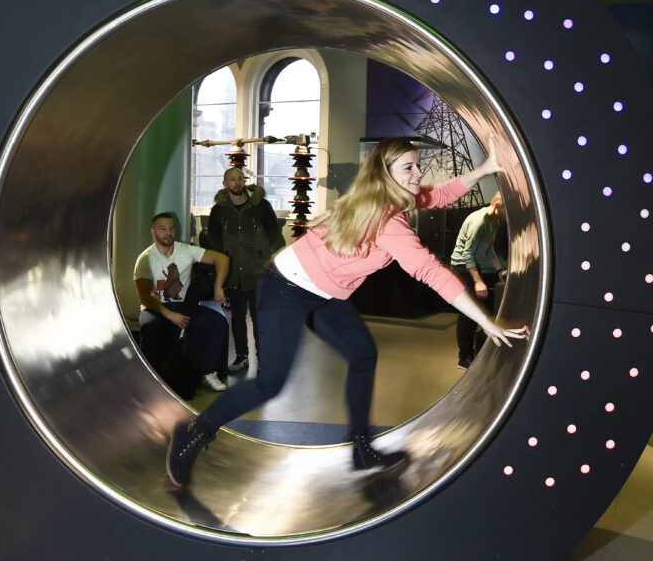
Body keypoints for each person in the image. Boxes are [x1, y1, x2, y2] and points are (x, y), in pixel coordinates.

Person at [166, 137, 528, 487]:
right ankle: (194, 434)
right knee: (270, 384)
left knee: (363, 354)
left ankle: (361, 450)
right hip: (285, 289)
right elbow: (431, 272)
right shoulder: (387, 220)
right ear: (386, 174)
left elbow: (441, 194)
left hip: (324, 294)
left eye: (417, 165)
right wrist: (485, 320)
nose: (418, 173)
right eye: (408, 167)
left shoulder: (388, 197)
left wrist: (486, 168)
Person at [134, 212, 231, 394]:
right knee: (151, 326)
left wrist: (218, 286)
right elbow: (145, 298)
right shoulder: (146, 259)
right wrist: (171, 315)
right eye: (163, 229)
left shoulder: (185, 250)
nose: (168, 233)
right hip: (156, 308)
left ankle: (208, 372)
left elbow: (222, 259)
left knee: (217, 322)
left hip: (184, 306)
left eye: (171, 228)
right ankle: (151, 377)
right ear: (153, 232)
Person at [207, 167, 286, 374]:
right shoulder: (219, 211)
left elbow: (276, 236)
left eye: (240, 179)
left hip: (259, 272)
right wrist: (219, 268)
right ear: (225, 184)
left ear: (245, 181)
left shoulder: (261, 206)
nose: (237, 183)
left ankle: (263, 358)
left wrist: (275, 265)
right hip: (233, 273)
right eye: (232, 180)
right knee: (238, 317)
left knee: (260, 317)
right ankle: (241, 356)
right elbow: (213, 240)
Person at [450, 191, 506, 368]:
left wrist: (500, 271)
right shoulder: (479, 221)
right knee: (468, 313)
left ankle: (470, 354)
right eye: (507, 211)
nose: (509, 216)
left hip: (472, 267)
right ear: (497, 206)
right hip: (462, 267)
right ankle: (464, 358)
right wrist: (477, 281)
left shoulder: (494, 222)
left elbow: (489, 251)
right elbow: (467, 254)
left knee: (475, 312)